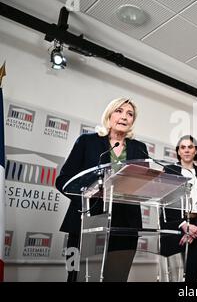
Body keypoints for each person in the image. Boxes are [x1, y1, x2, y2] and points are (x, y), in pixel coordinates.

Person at [55, 98, 148, 282]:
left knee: (116, 278)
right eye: (119, 111)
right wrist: (90, 193)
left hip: (125, 225)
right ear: (109, 114)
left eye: (130, 114)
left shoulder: (140, 148)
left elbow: (143, 186)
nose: (124, 117)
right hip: (88, 220)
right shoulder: (87, 141)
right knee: (79, 277)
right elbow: (63, 180)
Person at [159, 135, 197, 282]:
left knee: (192, 275)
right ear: (178, 151)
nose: (187, 150)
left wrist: (195, 229)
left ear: (195, 151)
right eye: (183, 147)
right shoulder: (169, 170)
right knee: (173, 275)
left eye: (190, 147)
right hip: (175, 226)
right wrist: (184, 225)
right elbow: (165, 201)